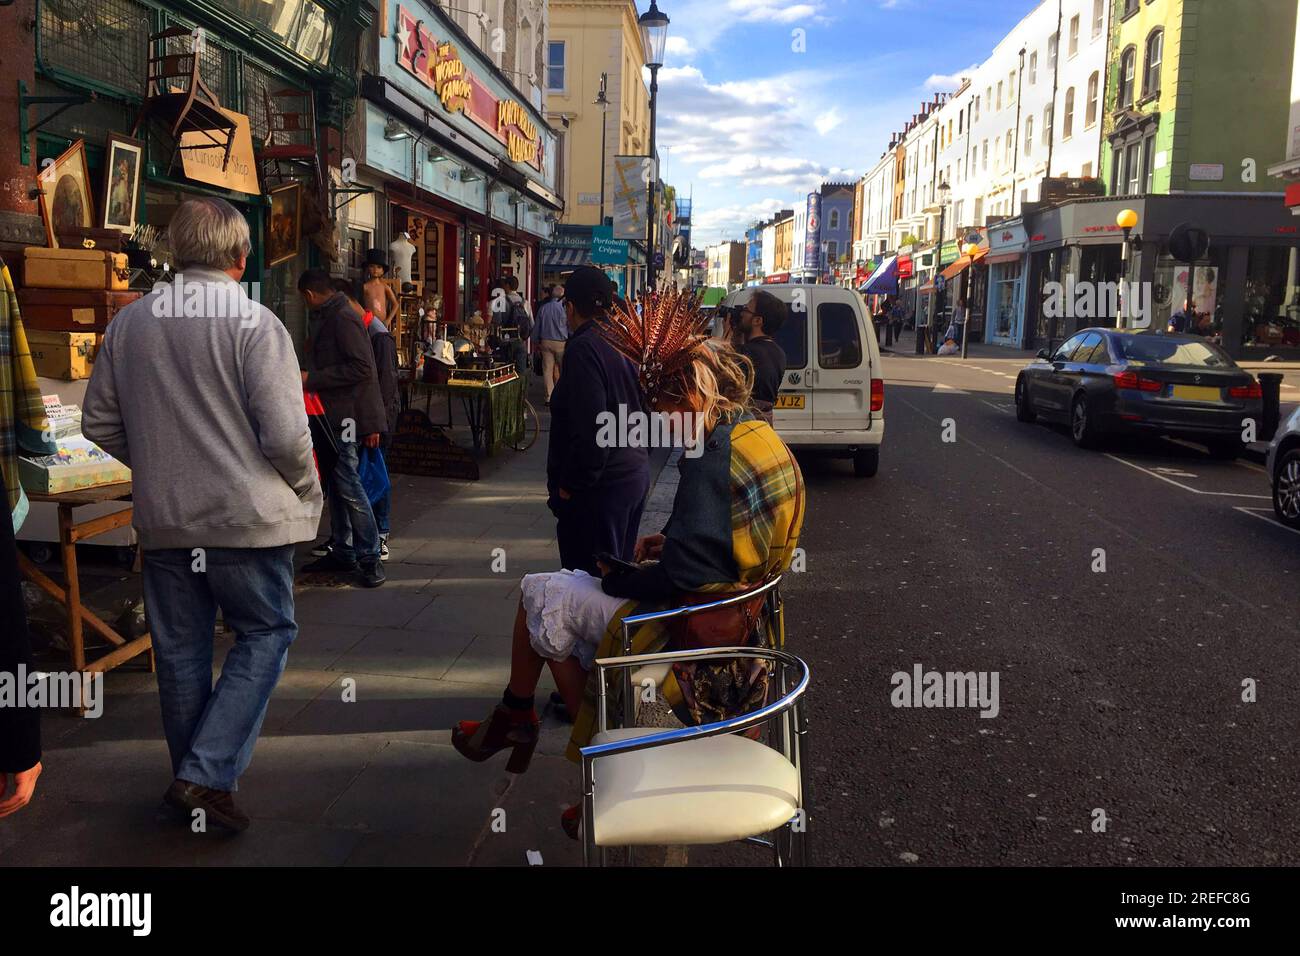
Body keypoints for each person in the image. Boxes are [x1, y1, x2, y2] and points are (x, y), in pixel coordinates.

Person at [451, 307, 805, 841]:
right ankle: (532, 724)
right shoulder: (754, 432)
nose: (661, 423)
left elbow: (680, 577)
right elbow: (726, 535)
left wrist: (620, 576)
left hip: (697, 628)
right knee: (557, 604)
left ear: (691, 398)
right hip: (746, 624)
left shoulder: (710, 458)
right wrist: (674, 543)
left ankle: (588, 763)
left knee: (540, 596)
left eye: (664, 410)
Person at [82, 197, 322, 832]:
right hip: (244, 521)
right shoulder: (254, 323)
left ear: (178, 253)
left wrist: (162, 463)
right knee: (266, 633)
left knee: (181, 652)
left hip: (167, 522)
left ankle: (201, 782)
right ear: (240, 259)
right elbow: (285, 436)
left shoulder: (130, 324)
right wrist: (305, 486)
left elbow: (99, 422)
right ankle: (204, 774)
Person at [546, 266, 650, 575]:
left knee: (587, 585)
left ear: (571, 307)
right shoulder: (625, 341)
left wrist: (569, 486)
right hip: (632, 474)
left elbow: (592, 431)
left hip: (600, 488)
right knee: (614, 579)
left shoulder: (583, 347)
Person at [297, 269, 387, 588]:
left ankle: (370, 555)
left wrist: (313, 378)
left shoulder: (341, 318)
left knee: (349, 484)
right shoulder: (331, 315)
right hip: (330, 415)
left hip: (344, 416)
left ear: (309, 295)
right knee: (338, 483)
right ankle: (343, 548)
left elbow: (362, 368)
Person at [325, 279, 399, 561]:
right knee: (354, 479)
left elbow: (384, 384)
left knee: (375, 476)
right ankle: (345, 541)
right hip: (354, 419)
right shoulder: (355, 330)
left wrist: (374, 424)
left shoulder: (377, 334)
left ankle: (380, 534)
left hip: (372, 419)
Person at [731, 289, 788, 423]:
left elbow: (723, 387)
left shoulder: (746, 355)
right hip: (764, 427)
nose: (742, 313)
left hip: (744, 426)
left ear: (757, 320)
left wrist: (727, 334)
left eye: (746, 309)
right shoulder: (779, 353)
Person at [535, 284, 568, 405]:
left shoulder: (543, 308)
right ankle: (563, 395)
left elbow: (537, 326)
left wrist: (535, 340)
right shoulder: (564, 309)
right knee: (564, 370)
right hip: (561, 343)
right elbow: (569, 327)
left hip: (545, 342)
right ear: (562, 296)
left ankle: (549, 396)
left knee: (547, 370)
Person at [361, 250, 400, 330]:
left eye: (378, 267)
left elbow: (396, 304)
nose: (375, 269)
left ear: (382, 271)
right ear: (368, 268)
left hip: (382, 323)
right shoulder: (365, 287)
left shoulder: (384, 287)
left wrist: (388, 320)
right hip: (368, 322)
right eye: (372, 266)